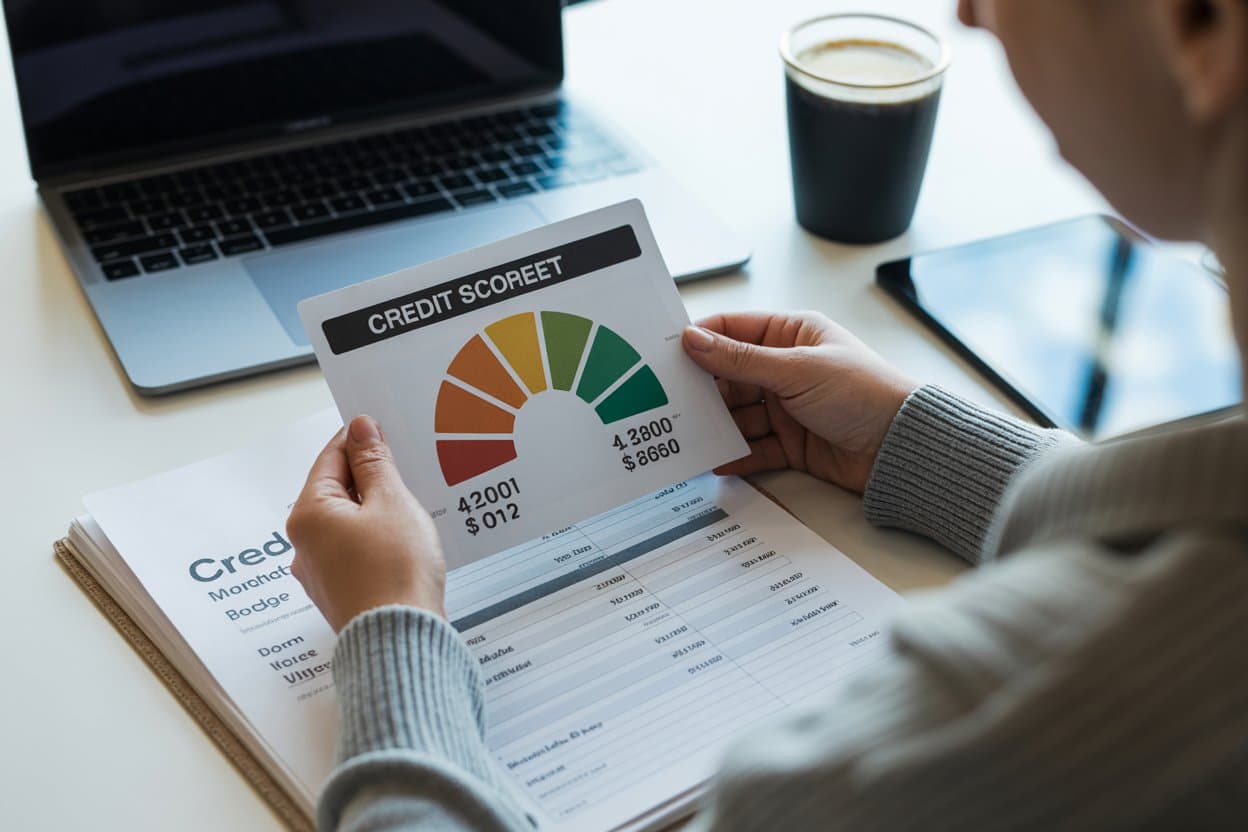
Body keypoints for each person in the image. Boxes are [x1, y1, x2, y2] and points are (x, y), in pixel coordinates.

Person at [286, 0, 1248, 828]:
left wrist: (391, 632)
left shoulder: (985, 738)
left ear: (1199, 28)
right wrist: (921, 446)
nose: (966, 10)